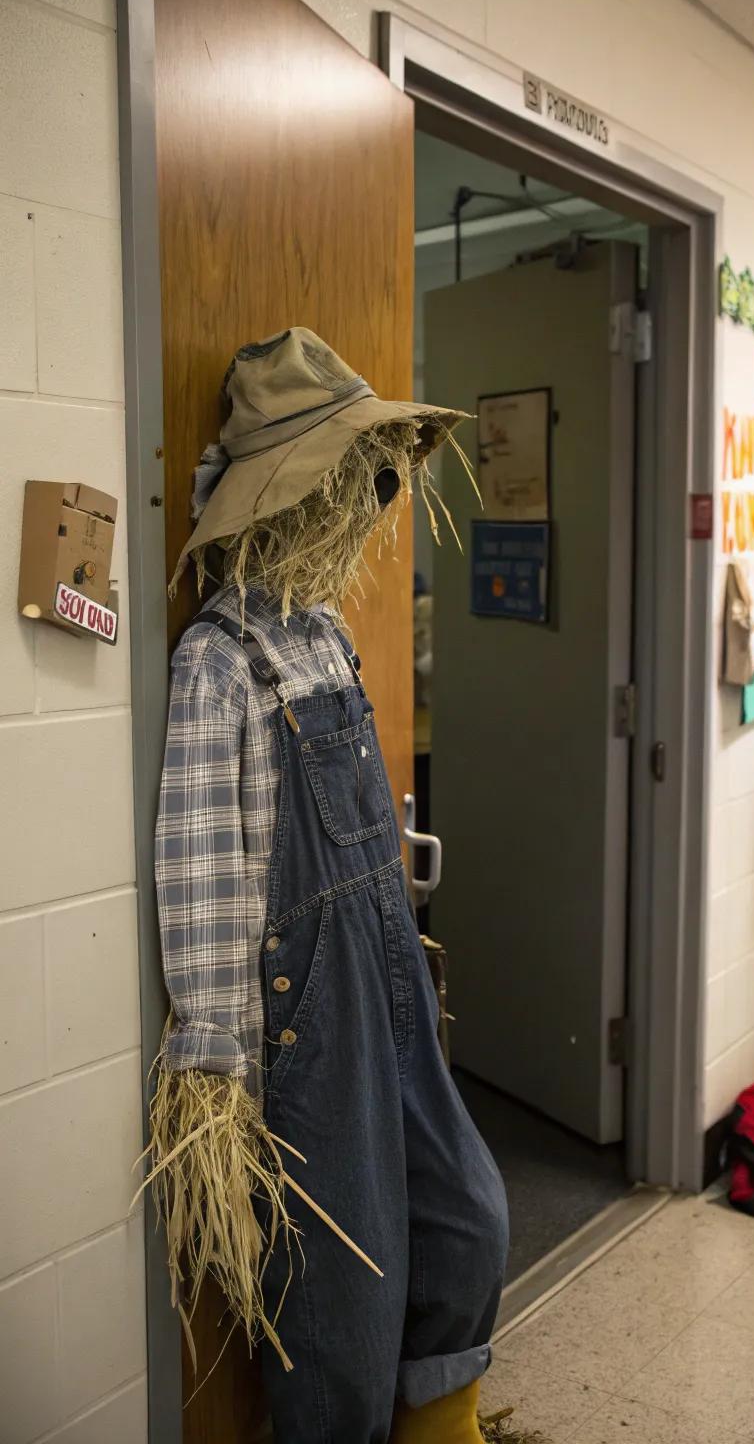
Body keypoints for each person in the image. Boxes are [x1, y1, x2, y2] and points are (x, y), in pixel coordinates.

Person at [147, 328, 510, 1443]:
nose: (365, 501)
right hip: (304, 1017)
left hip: (387, 975)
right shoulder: (220, 659)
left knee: (467, 1220)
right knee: (344, 1311)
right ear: (285, 494)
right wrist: (217, 1065)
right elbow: (201, 866)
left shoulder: (327, 633)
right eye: (343, 477)